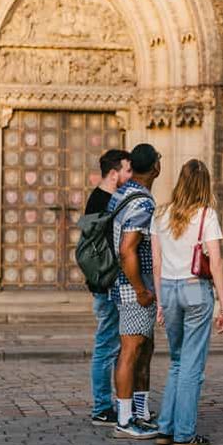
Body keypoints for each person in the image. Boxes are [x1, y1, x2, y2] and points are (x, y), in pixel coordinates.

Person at [151, 159, 223, 445]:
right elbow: (216, 263)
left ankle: (166, 428)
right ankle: (184, 433)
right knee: (192, 365)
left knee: (176, 361)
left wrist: (160, 302)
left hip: (169, 289)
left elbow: (156, 263)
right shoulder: (206, 215)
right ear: (204, 185)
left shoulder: (161, 214)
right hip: (195, 288)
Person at [109, 143, 161, 439]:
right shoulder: (142, 203)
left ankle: (140, 413)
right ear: (155, 167)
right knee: (131, 351)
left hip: (128, 285)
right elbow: (127, 249)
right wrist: (141, 290)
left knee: (143, 350)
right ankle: (125, 419)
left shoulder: (123, 192)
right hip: (134, 288)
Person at [85, 149, 133, 427]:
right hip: (107, 285)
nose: (131, 175)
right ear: (114, 174)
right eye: (127, 170)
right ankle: (102, 407)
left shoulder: (101, 198)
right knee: (106, 346)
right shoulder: (104, 201)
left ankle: (114, 404)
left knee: (112, 345)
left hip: (106, 283)